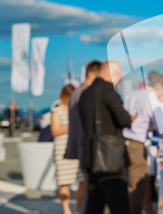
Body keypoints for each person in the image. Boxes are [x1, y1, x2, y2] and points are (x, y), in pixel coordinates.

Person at [79, 61, 133, 214]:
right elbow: (124, 120)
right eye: (120, 80)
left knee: (94, 205)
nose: (119, 84)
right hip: (110, 159)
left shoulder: (85, 93)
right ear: (114, 74)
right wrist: (129, 117)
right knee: (120, 206)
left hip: (90, 157)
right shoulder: (108, 90)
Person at [122, 72, 163, 214]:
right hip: (136, 145)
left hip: (122, 142)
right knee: (136, 188)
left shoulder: (131, 94)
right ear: (159, 86)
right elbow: (162, 129)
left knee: (121, 186)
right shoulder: (152, 99)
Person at [65, 60, 102, 214]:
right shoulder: (84, 93)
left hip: (80, 145)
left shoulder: (76, 93)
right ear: (92, 74)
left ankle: (80, 210)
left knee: (83, 184)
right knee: (88, 186)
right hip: (86, 146)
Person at [143, 71, 163, 214]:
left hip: (132, 144)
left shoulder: (140, 94)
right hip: (141, 146)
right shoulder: (153, 100)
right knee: (145, 183)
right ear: (160, 85)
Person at [51, 84, 79, 214]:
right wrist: (71, 126)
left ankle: (79, 208)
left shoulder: (76, 110)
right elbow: (55, 131)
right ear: (63, 97)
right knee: (64, 181)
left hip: (77, 148)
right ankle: (66, 210)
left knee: (81, 180)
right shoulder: (56, 111)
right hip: (62, 149)